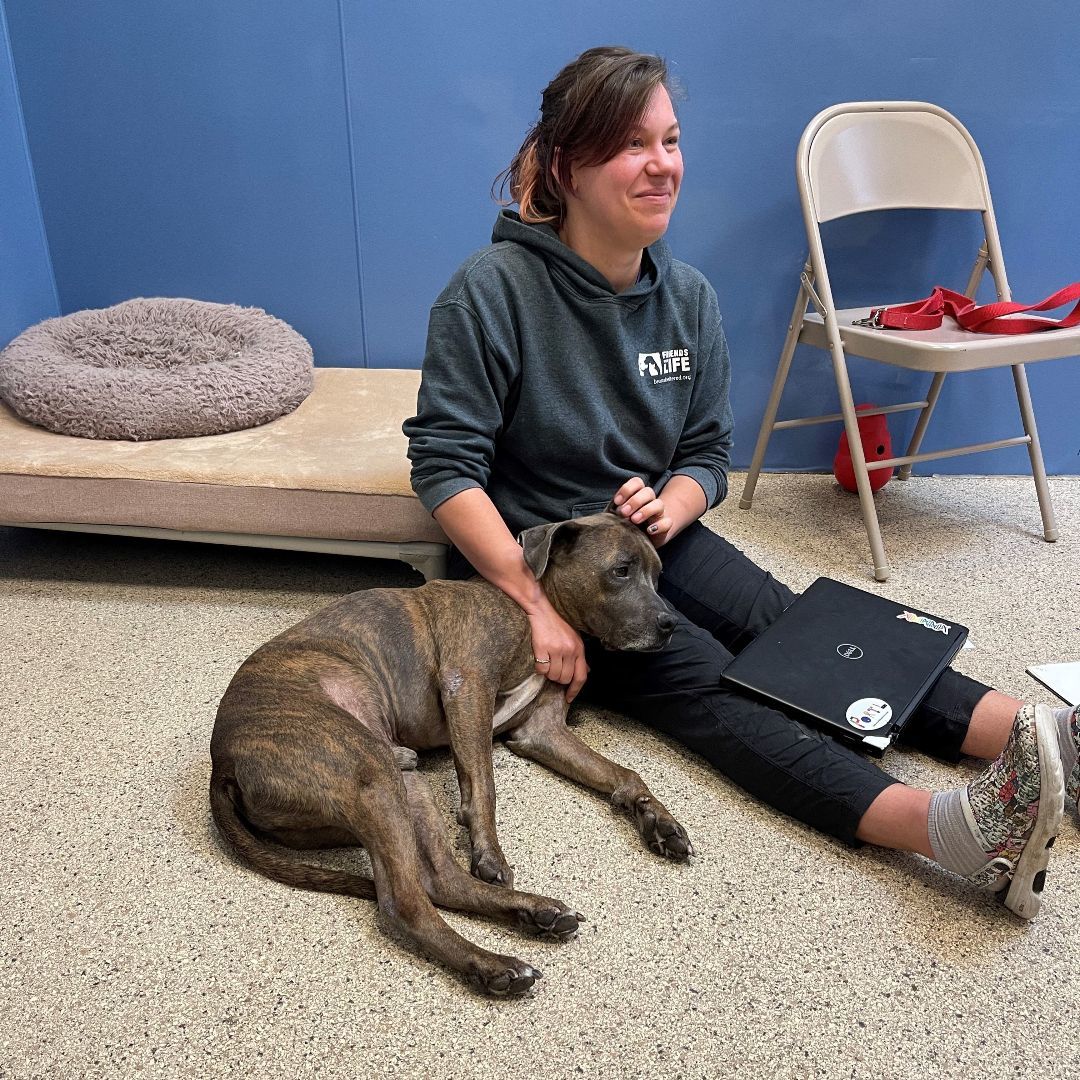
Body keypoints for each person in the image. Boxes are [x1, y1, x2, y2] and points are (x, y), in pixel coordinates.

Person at [403, 45, 1079, 918]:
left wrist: (673, 502)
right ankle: (949, 831)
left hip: (652, 541)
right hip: (550, 572)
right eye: (631, 145)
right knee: (712, 684)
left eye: (672, 139)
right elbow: (445, 466)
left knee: (798, 626)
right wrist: (532, 607)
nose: (662, 165)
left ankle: (1048, 739)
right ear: (567, 166)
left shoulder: (688, 297)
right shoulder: (489, 292)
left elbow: (709, 456)